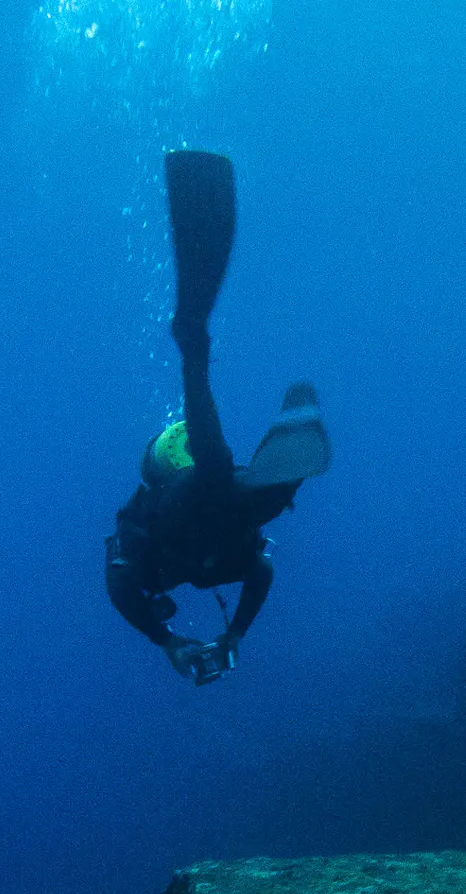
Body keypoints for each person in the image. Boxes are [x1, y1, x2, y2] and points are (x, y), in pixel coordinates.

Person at [105, 150, 330, 684]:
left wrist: (166, 642)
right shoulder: (214, 563)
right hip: (223, 516)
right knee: (256, 497)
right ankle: (281, 452)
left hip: (189, 507)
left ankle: (191, 339)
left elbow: (118, 590)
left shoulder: (143, 556)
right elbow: (262, 572)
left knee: (215, 472)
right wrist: (231, 637)